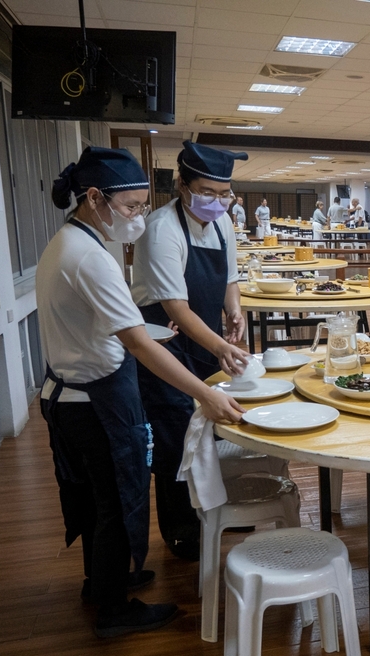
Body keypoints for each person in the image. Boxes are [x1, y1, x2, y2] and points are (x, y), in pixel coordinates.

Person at [39, 147, 243, 637]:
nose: (137, 217)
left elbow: (115, 326)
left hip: (76, 391)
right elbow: (133, 340)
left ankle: (106, 581)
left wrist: (159, 334)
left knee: (100, 500)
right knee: (112, 502)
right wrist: (208, 394)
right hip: (92, 398)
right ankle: (114, 609)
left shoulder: (72, 242)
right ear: (94, 198)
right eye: (131, 207)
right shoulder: (89, 257)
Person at [130, 140, 252, 561]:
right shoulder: (162, 229)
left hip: (202, 340)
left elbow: (230, 277)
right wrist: (222, 345)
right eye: (208, 192)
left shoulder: (223, 225)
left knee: (210, 428)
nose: (217, 202)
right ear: (182, 185)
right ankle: (181, 529)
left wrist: (234, 311)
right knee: (175, 434)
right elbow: (174, 305)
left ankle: (216, 511)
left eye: (224, 194)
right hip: (165, 343)